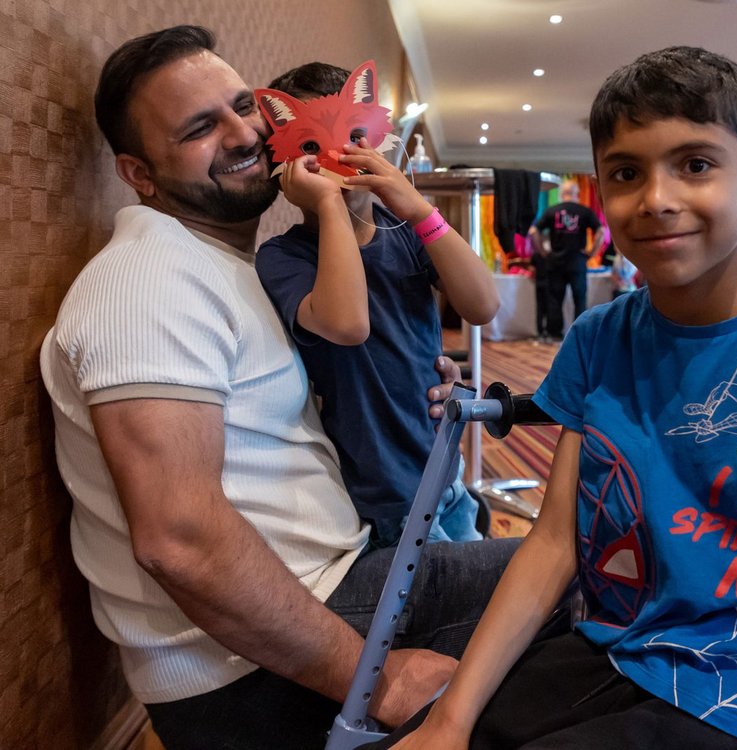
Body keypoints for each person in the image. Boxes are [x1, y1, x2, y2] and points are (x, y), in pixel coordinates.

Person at [373, 45, 737, 750]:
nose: (656, 198)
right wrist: (452, 719)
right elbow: (553, 542)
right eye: (625, 173)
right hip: (615, 648)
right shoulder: (598, 337)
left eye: (696, 164)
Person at [38, 26, 516, 749]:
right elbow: (180, 541)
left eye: (242, 107)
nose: (244, 134)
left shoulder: (227, 266)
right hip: (262, 660)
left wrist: (428, 371)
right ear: (139, 173)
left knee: (582, 568)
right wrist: (374, 679)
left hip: (343, 577)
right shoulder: (145, 284)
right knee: (578, 581)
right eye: (201, 127)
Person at [255, 62, 499, 547]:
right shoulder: (284, 258)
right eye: (310, 148)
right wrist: (328, 204)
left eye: (356, 137)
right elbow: (349, 325)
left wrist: (420, 210)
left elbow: (483, 304)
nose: (339, 155)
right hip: (383, 491)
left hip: (444, 466)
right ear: (285, 167)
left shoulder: (405, 231)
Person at [529, 180, 607, 340]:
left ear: (561, 194)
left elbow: (532, 231)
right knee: (580, 298)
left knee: (555, 299)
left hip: (555, 261)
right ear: (576, 194)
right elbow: (601, 232)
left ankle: (554, 334)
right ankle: (581, 334)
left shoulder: (551, 211)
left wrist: (543, 252)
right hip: (577, 261)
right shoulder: (584, 211)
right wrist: (592, 253)